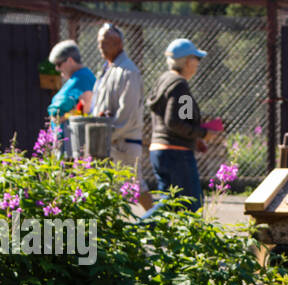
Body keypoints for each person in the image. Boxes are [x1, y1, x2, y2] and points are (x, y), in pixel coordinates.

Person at [147, 38, 215, 213]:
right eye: (196, 59)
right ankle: (134, 231)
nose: (198, 64)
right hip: (176, 153)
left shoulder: (164, 80)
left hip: (159, 151)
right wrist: (203, 133)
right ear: (186, 61)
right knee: (191, 205)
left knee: (170, 202)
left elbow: (181, 119)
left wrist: (194, 138)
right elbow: (175, 122)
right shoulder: (179, 85)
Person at [91, 23, 153, 210]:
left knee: (135, 186)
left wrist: (110, 133)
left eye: (105, 42)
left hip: (123, 141)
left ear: (119, 44)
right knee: (108, 187)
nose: (100, 46)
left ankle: (159, 223)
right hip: (107, 141)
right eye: (99, 42)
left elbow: (129, 111)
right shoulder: (107, 69)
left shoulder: (129, 72)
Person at [47, 40, 95, 155]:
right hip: (67, 144)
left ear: (70, 60)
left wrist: (63, 117)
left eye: (59, 64)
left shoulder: (83, 77)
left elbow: (87, 107)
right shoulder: (76, 77)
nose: (57, 69)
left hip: (73, 145)